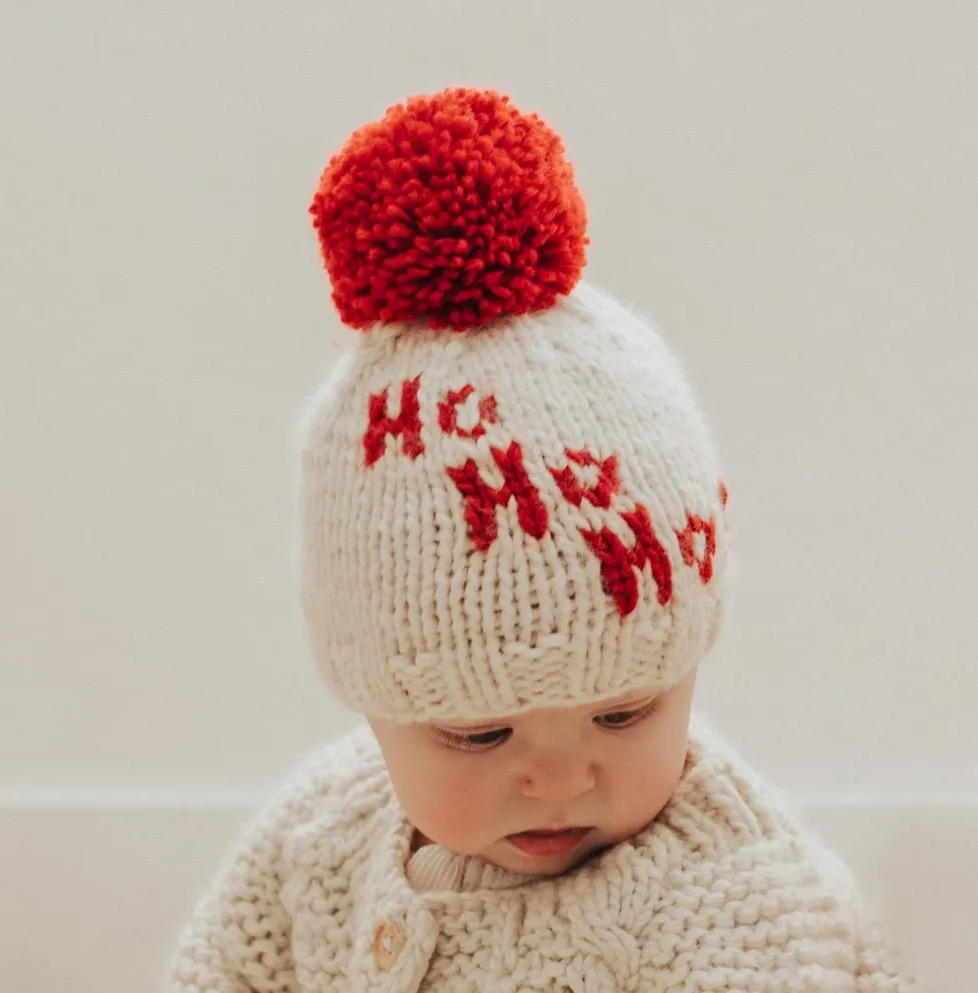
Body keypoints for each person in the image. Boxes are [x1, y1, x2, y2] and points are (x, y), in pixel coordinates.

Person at [167, 87, 922, 992]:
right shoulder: (321, 832)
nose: (561, 779)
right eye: (479, 733)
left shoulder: (736, 907)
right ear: (369, 699)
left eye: (624, 712)